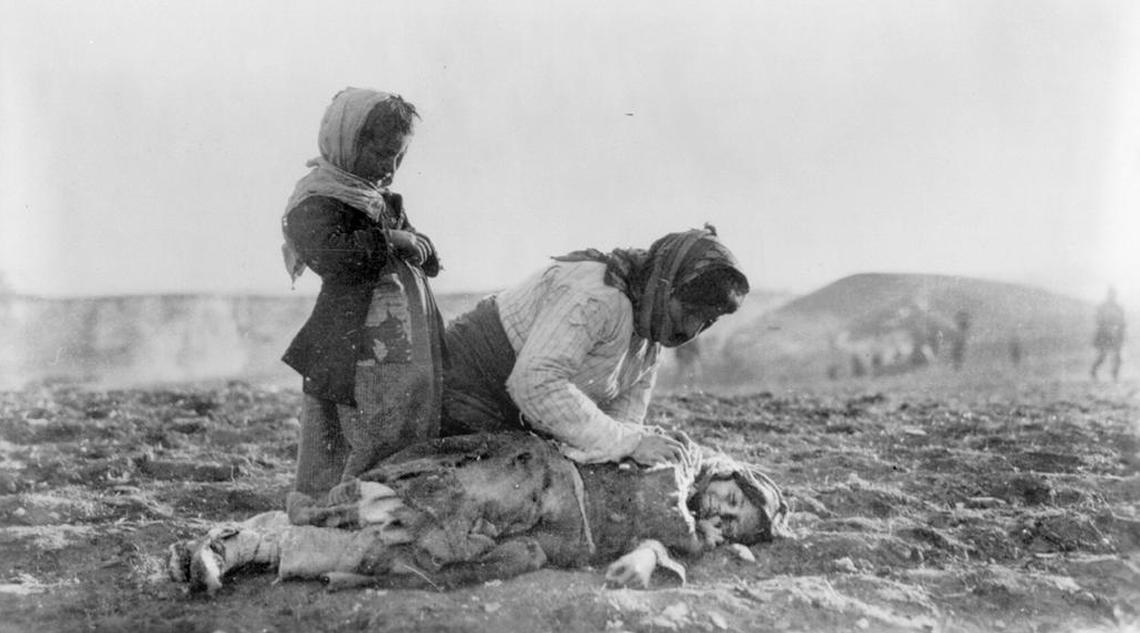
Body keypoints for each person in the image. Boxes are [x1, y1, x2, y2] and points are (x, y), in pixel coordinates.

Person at [168, 430, 789, 594]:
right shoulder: (679, 462)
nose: (721, 513)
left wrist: (656, 557)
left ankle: (242, 550)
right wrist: (686, 531)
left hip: (545, 537)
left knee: (412, 556)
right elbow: (662, 495)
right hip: (536, 482)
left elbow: (654, 550)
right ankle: (241, 540)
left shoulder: (688, 535)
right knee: (418, 509)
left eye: (735, 523)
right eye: (730, 500)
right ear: (725, 474)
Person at [441, 225, 749, 467]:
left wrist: (634, 447)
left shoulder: (649, 338)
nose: (693, 329)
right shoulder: (598, 295)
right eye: (692, 312)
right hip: (466, 385)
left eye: (708, 321)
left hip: (520, 412)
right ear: (666, 284)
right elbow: (535, 383)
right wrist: (630, 445)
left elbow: (622, 419)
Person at [280, 87, 446, 509]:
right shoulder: (316, 201)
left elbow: (416, 248)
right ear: (347, 143)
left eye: (399, 157)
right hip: (351, 344)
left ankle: (383, 499)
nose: (390, 168)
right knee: (353, 431)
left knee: (399, 422)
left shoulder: (380, 200)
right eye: (381, 154)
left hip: (398, 346)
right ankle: (336, 506)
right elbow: (331, 255)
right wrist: (390, 240)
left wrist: (422, 249)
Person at [1091, 287, 1126, 381]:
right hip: (1104, 334)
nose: (1112, 296)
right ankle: (1093, 371)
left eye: (1113, 294)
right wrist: (1106, 327)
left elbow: (1122, 322)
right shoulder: (1102, 307)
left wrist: (1119, 332)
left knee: (1117, 356)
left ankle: (1115, 375)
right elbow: (1098, 320)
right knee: (1102, 355)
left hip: (1115, 334)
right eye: (1111, 294)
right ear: (1108, 295)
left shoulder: (1118, 308)